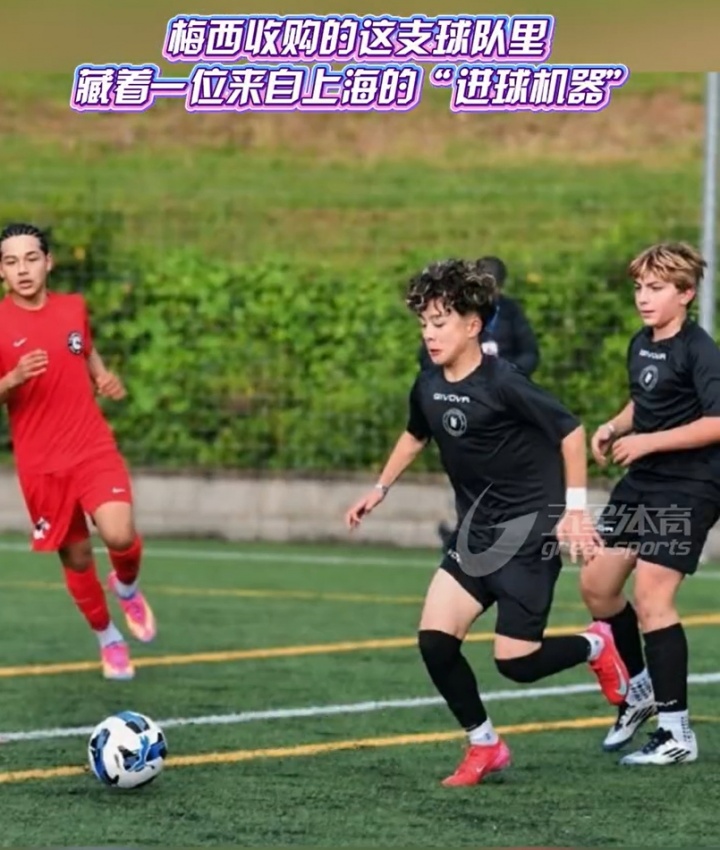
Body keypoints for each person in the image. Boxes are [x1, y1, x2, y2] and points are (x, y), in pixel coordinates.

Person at [346, 258, 629, 787]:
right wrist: (379, 488)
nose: (430, 334)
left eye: (441, 323)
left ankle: (596, 644)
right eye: (424, 323)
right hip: (475, 536)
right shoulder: (427, 384)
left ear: (473, 325)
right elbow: (415, 434)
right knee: (435, 641)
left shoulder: (504, 382)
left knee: (515, 663)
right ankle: (484, 744)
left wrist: (574, 509)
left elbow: (570, 432)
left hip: (528, 536)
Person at [582, 242, 720, 765]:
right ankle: (639, 690)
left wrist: (648, 442)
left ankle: (677, 733)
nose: (644, 297)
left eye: (657, 288)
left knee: (652, 596)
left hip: (691, 483)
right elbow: (646, 401)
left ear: (685, 294)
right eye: (640, 287)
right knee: (597, 585)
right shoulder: (641, 343)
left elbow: (717, 421)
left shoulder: (700, 349)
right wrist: (615, 426)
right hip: (645, 479)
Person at [0, 222, 156, 681]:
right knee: (78, 557)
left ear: (48, 262)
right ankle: (108, 637)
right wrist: (12, 380)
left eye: (31, 258)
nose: (22, 269)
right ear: (1, 271)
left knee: (120, 534)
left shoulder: (73, 307)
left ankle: (126, 587)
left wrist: (101, 376)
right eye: (11, 261)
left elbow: (83, 349)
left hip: (90, 444)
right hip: (41, 464)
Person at [427, 256, 540, 548]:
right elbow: (429, 353)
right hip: (464, 401)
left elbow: (530, 353)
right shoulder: (455, 311)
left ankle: (506, 531)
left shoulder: (510, 313)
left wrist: (507, 377)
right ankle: (463, 530)